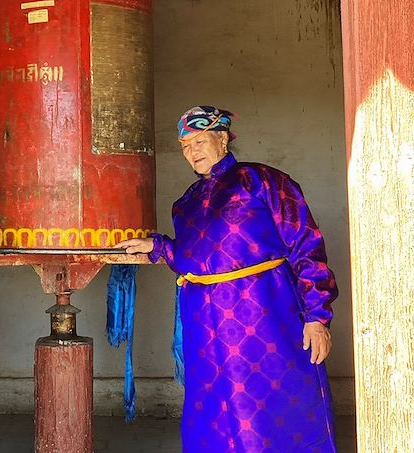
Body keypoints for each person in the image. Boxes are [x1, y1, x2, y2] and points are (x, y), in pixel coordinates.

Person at [117, 105, 338, 452]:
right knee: (213, 411)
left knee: (270, 409)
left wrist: (317, 316)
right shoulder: (186, 203)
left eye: (201, 141)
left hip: (264, 318)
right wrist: (158, 246)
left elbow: (305, 244)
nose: (193, 152)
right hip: (205, 326)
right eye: (185, 146)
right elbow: (196, 259)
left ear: (223, 139)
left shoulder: (263, 180)